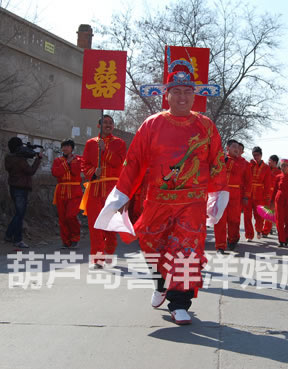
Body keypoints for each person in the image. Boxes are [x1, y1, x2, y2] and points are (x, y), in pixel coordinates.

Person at [94, 65, 227, 325]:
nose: (181, 97)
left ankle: (180, 303)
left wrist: (218, 193)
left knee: (186, 251)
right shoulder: (152, 125)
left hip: (192, 202)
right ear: (166, 94)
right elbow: (133, 162)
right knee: (152, 245)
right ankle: (160, 282)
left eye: (187, 91)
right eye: (175, 91)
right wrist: (121, 194)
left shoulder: (206, 126)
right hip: (158, 201)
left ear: (194, 94)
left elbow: (217, 162)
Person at [81, 114, 126, 268]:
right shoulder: (90, 143)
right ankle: (97, 259)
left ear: (113, 126)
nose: (108, 125)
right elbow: (84, 164)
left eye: (110, 123)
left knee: (111, 224)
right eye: (105, 122)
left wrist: (104, 150)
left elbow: (118, 162)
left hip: (112, 189)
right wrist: (93, 172)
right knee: (95, 224)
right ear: (99, 125)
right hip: (95, 187)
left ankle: (109, 251)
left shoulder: (119, 143)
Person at [4, 137, 43, 248]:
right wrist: (38, 159)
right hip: (21, 189)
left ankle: (8, 235)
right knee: (20, 215)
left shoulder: (9, 158)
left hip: (13, 187)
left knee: (18, 214)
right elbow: (30, 171)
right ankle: (17, 239)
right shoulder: (19, 160)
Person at [213, 140, 251, 253]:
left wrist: (246, 196)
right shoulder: (221, 161)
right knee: (220, 219)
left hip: (236, 194)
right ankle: (220, 245)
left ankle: (233, 239)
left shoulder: (245, 164)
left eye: (238, 148)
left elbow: (248, 182)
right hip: (221, 193)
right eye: (234, 146)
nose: (236, 149)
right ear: (227, 148)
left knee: (234, 219)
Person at [51, 139, 83, 249]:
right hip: (61, 191)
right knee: (62, 218)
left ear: (72, 148)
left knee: (71, 215)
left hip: (75, 191)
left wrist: (70, 162)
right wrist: (67, 163)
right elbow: (56, 173)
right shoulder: (57, 160)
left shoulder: (78, 159)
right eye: (63, 146)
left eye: (68, 146)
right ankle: (66, 241)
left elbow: (75, 172)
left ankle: (75, 238)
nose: (65, 148)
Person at [243, 146, 272, 241]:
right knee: (247, 215)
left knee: (259, 215)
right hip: (248, 193)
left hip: (260, 194)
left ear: (261, 155)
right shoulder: (249, 165)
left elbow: (267, 183)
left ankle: (259, 230)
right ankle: (249, 235)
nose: (256, 157)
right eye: (254, 155)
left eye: (257, 155)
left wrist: (267, 197)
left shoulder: (266, 168)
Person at [272, 159, 288, 247]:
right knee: (279, 221)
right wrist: (271, 201)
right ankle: (281, 240)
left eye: (285, 165)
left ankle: (286, 236)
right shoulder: (278, 177)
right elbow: (275, 189)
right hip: (279, 200)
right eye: (282, 165)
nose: (283, 167)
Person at [262, 154, 280, 237]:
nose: (269, 162)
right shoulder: (265, 169)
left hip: (273, 195)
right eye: (268, 160)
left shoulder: (279, 172)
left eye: (270, 161)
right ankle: (262, 228)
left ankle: (266, 230)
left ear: (275, 162)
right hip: (264, 193)